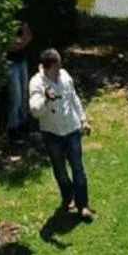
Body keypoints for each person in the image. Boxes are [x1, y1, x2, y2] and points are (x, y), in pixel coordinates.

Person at [28, 48, 93, 221]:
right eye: (56, 65)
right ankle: (68, 196)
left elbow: (74, 99)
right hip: (52, 133)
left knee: (78, 168)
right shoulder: (36, 83)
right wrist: (45, 98)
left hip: (71, 129)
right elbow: (35, 111)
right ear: (47, 67)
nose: (59, 68)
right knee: (60, 170)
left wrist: (83, 120)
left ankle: (83, 205)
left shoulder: (64, 76)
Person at [3, 22, 32, 147]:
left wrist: (19, 43)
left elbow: (29, 36)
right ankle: (13, 131)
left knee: (24, 94)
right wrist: (20, 43)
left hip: (22, 61)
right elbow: (7, 46)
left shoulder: (20, 21)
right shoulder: (3, 21)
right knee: (16, 98)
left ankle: (24, 126)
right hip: (10, 64)